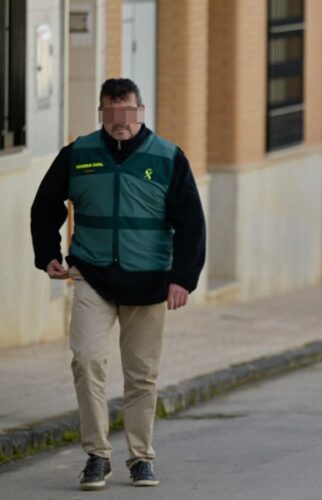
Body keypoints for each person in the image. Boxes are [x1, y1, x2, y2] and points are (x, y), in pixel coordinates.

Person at [30, 78, 206, 491]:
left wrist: (183, 279)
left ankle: (141, 457)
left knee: (141, 374)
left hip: (149, 282)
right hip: (92, 275)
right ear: (102, 114)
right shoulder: (78, 153)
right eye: (111, 113)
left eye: (127, 112)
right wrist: (48, 254)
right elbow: (44, 206)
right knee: (87, 360)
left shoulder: (167, 157)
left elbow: (191, 225)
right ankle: (96, 455)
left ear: (139, 111)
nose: (119, 121)